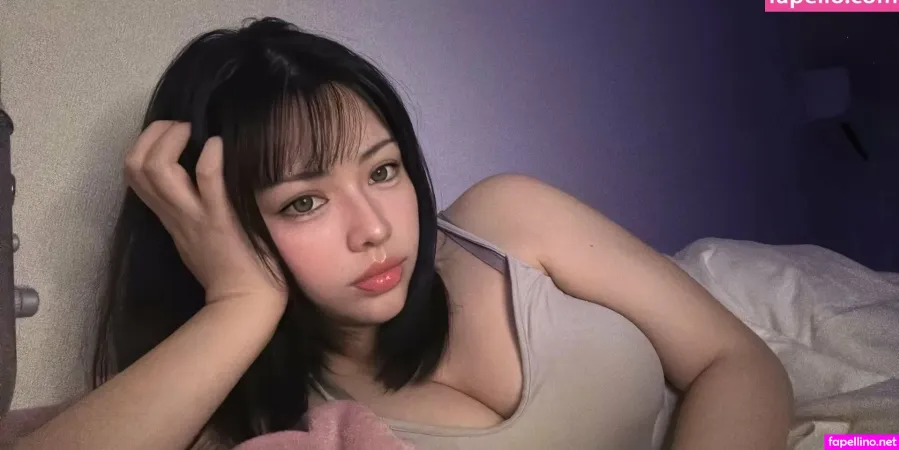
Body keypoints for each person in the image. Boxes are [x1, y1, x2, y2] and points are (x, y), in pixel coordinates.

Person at [14, 17, 793, 450]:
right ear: (209, 227)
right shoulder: (260, 416)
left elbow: (735, 357)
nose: (376, 229)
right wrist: (239, 303)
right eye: (304, 203)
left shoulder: (508, 218)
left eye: (383, 171)